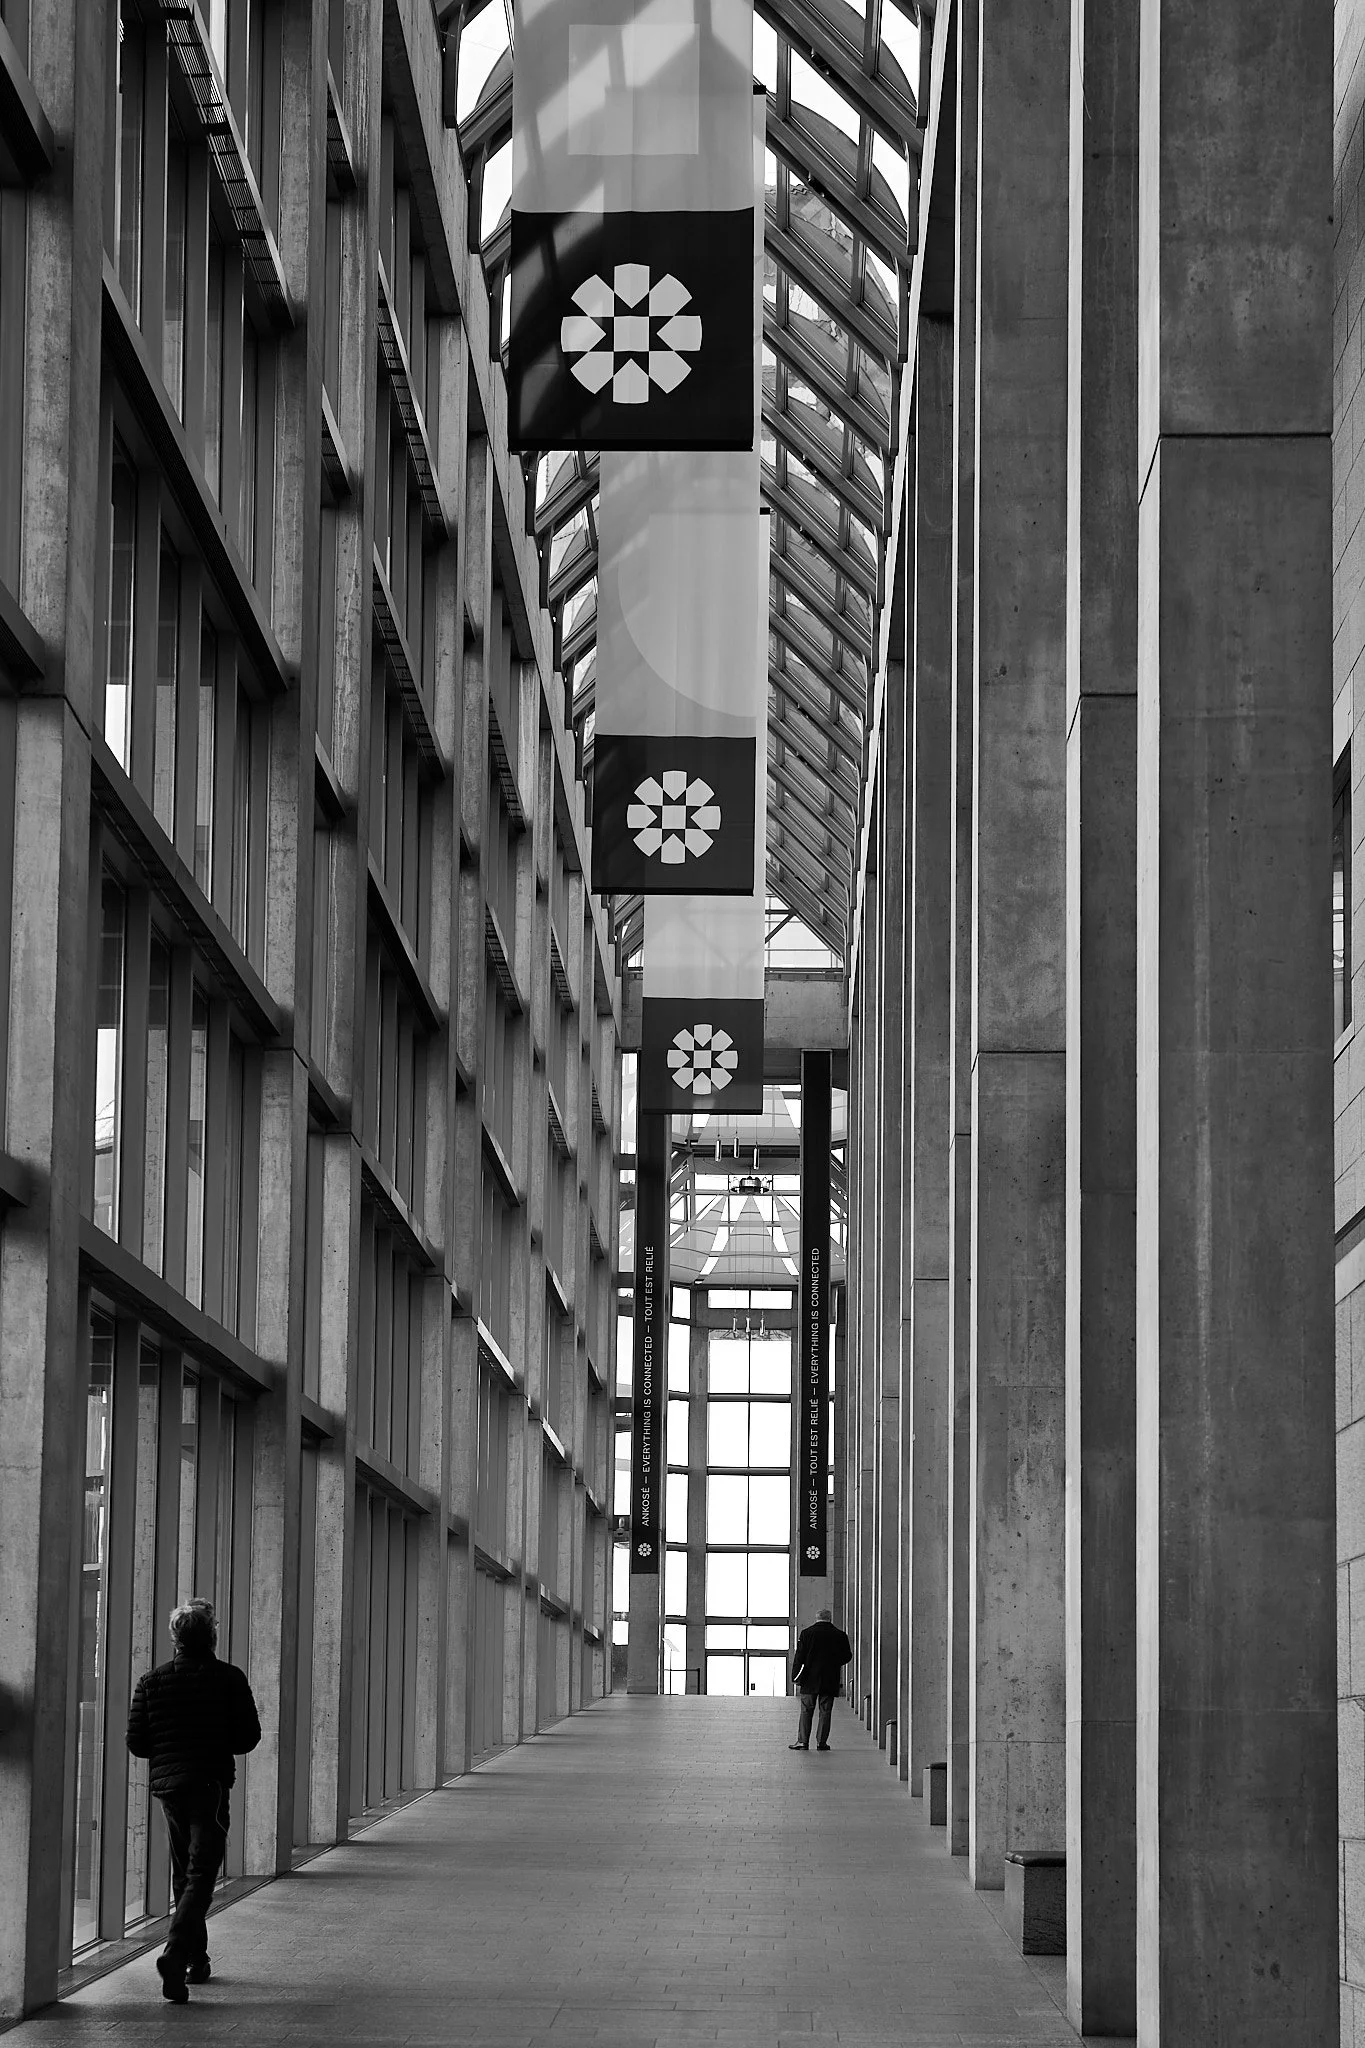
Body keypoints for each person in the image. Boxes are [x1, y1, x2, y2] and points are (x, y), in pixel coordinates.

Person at [126, 1598, 261, 2003]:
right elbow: (248, 1738)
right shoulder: (229, 1678)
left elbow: (137, 1742)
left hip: (170, 1789)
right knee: (202, 1872)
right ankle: (176, 1954)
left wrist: (172, 1748)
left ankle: (194, 1961)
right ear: (212, 1636)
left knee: (185, 1872)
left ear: (175, 1639)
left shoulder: (151, 1681)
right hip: (210, 1786)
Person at [789, 1607, 853, 1752]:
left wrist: (795, 1677)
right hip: (830, 1679)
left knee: (806, 1710)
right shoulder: (840, 1635)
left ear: (817, 1619)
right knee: (825, 1711)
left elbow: (799, 1657)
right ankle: (821, 1743)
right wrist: (834, 1663)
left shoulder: (806, 1634)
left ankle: (803, 1742)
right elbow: (847, 1656)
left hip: (809, 1679)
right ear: (830, 1619)